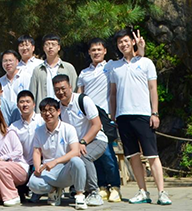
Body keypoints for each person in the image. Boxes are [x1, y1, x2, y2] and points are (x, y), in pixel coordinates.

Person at [109, 29, 171, 205]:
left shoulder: (146, 62)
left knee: (152, 155)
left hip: (143, 115)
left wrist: (154, 112)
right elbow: (113, 93)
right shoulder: (114, 67)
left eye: (126, 41)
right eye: (120, 42)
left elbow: (153, 88)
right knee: (133, 156)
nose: (123, 44)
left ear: (133, 42)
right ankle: (142, 191)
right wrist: (113, 116)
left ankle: (162, 192)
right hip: (123, 116)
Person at [77, 38, 121, 202]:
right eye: (93, 50)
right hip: (89, 118)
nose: (96, 52)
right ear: (89, 52)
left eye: (99, 49)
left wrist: (113, 115)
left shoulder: (111, 67)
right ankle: (102, 186)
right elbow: (79, 94)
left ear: (105, 51)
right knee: (93, 154)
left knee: (108, 154)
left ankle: (115, 186)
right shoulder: (84, 73)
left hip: (105, 116)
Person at [54, 74, 107, 207]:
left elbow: (97, 125)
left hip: (96, 139)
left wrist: (83, 142)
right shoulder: (58, 108)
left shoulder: (83, 100)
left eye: (63, 88)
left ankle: (94, 192)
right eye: (57, 90)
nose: (61, 92)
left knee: (83, 156)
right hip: (75, 145)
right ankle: (69, 188)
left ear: (70, 87)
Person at [27, 98, 87, 210]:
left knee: (77, 161)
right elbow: (37, 151)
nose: (47, 114)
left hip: (65, 169)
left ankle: (79, 195)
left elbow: (75, 151)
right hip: (48, 171)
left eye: (51, 110)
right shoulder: (38, 131)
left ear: (58, 111)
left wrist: (55, 161)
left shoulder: (68, 128)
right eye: (44, 111)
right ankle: (54, 191)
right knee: (33, 184)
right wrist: (37, 167)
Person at [0, 107, 28, 207]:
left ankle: (12, 197)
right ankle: (16, 194)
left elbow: (19, 151)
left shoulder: (9, 132)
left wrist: (3, 158)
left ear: (0, 118)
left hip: (17, 169)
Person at [29, 34, 77, 111]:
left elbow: (74, 90)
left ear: (59, 47)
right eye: (47, 44)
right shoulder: (38, 70)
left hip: (65, 110)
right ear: (43, 48)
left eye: (53, 44)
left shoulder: (68, 68)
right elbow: (32, 93)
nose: (50, 47)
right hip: (44, 112)